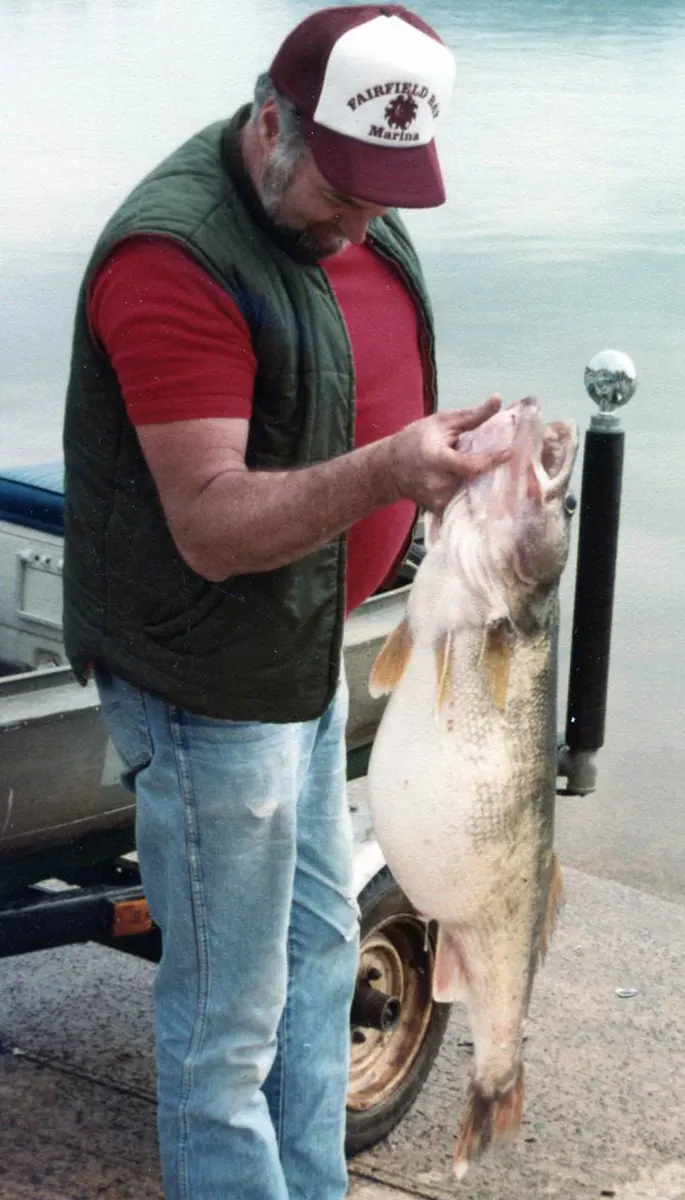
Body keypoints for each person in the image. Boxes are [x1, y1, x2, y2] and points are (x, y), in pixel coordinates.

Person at [62, 5, 508, 1198]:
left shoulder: (349, 211)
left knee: (317, 962)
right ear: (271, 121)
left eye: (389, 190)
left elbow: (343, 384)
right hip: (213, 690)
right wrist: (390, 473)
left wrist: (454, 471)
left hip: (300, 656)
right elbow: (209, 529)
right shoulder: (176, 258)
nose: (365, 218)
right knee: (227, 1026)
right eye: (347, 188)